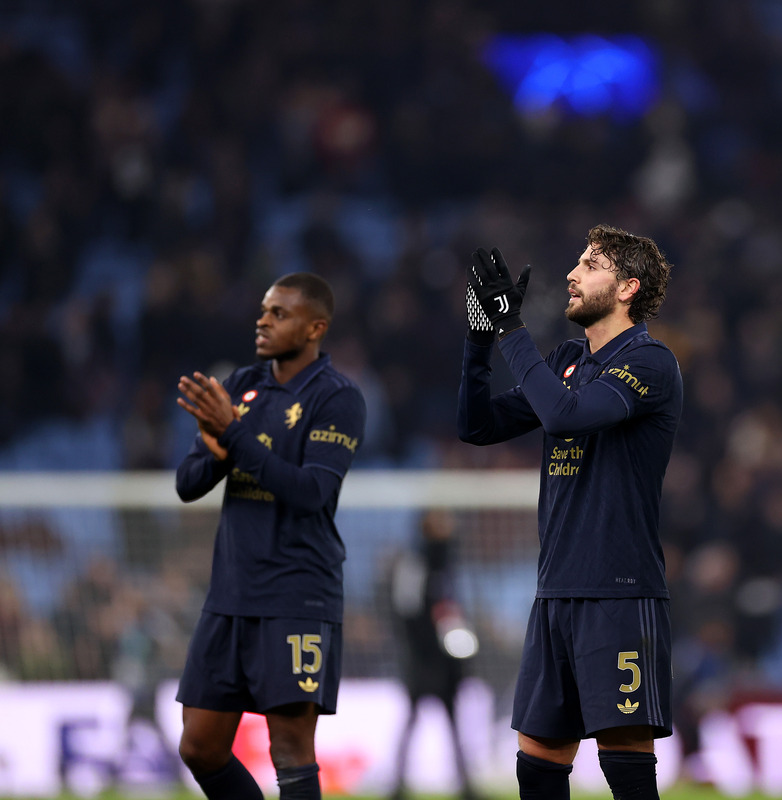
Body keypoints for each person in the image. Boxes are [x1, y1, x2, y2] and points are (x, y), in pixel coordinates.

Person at [457, 225, 681, 800]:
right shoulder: (567, 359)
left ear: (628, 287)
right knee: (537, 766)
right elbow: (477, 426)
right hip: (555, 590)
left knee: (626, 767)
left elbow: (566, 417)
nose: (572, 274)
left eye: (591, 264)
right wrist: (482, 339)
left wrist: (511, 326)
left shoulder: (651, 363)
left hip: (619, 593)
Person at [173, 272, 367, 800]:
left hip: (296, 595)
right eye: (263, 310)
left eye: (279, 313)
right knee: (200, 747)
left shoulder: (339, 398)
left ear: (314, 328)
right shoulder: (239, 385)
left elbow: (309, 492)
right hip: (230, 593)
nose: (262, 320)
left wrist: (233, 433)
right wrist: (216, 447)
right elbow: (188, 484)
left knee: (290, 753)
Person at [385, 510, 478, 800]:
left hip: (448, 661)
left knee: (454, 722)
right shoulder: (415, 564)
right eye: (442, 523)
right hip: (423, 660)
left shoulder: (448, 564)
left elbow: (455, 611)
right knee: (412, 721)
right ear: (427, 528)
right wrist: (421, 656)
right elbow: (405, 612)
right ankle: (397, 784)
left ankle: (465, 785)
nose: (449, 528)